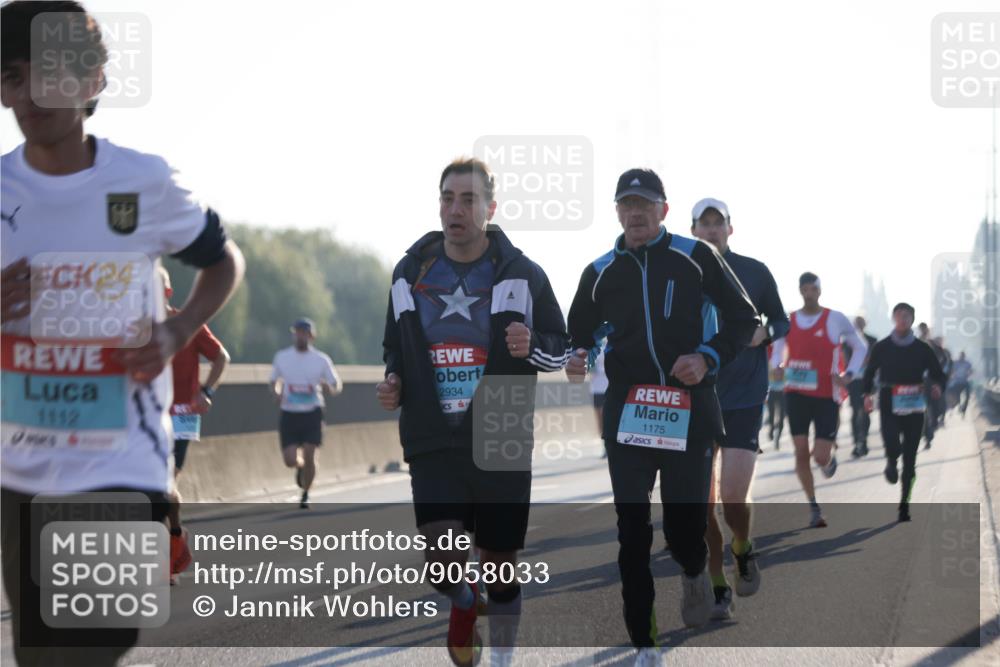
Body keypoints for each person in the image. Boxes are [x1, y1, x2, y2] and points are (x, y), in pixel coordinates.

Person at [0, 3, 244, 664]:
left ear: (92, 79)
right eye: (14, 76)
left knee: (85, 650)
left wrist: (177, 330)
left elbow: (224, 261)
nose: (29, 95)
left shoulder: (141, 181)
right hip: (21, 473)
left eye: (48, 72)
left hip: (120, 465)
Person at [377, 157, 570, 667]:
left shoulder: (522, 273)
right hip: (432, 431)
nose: (455, 209)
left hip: (500, 424)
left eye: (467, 199)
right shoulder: (410, 271)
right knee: (442, 564)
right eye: (447, 198)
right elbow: (394, 344)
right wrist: (394, 378)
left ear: (490, 206)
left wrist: (531, 345)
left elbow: (562, 347)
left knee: (500, 564)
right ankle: (463, 603)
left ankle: (503, 660)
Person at [566, 169, 758, 664]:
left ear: (663, 211)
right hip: (630, 414)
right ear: (616, 212)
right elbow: (578, 332)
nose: (635, 213)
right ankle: (644, 639)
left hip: (689, 410)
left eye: (644, 205)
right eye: (626, 204)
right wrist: (577, 355)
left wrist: (707, 358)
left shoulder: (696, 258)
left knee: (682, 529)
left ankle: (695, 569)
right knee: (632, 530)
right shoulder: (600, 271)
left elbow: (745, 320)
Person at [688, 197, 789, 620]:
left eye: (718, 223)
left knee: (732, 494)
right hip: (696, 396)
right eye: (703, 224)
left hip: (745, 395)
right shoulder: (680, 272)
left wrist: (764, 333)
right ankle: (717, 586)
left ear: (731, 229)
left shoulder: (755, 271)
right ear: (693, 230)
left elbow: (782, 321)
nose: (711, 230)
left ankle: (742, 547)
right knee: (701, 503)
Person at [770, 273, 867, 528]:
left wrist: (850, 374)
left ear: (820, 291)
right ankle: (814, 506)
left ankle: (828, 458)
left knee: (819, 456)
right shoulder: (789, 320)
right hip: (796, 393)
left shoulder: (835, 319)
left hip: (827, 395)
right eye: (805, 289)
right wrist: (776, 365)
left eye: (814, 288)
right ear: (800, 291)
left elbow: (861, 347)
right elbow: (778, 349)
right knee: (801, 451)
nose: (809, 293)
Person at [160, 268, 230, 584]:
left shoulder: (187, 324)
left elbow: (221, 357)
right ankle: (172, 539)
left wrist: (207, 391)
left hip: (184, 415)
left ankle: (172, 542)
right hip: (147, 416)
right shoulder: (132, 328)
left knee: (165, 485)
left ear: (168, 292)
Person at [862, 303, 946, 522]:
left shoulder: (922, 348)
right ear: (893, 318)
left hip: (915, 404)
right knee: (892, 443)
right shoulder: (882, 347)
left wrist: (937, 385)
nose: (903, 318)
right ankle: (891, 461)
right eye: (899, 315)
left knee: (910, 457)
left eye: (907, 315)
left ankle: (904, 504)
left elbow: (938, 372)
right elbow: (869, 373)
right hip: (890, 400)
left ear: (912, 320)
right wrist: (867, 394)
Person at [270, 318, 342, 509]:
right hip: (289, 413)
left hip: (313, 413)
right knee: (290, 460)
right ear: (294, 334)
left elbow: (336, 384)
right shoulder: (282, 357)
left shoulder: (321, 359)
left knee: (311, 454)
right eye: (297, 332)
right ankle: (300, 467)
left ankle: (306, 493)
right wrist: (277, 392)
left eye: (304, 333)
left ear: (311, 336)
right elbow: (273, 380)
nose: (300, 336)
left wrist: (329, 387)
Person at [844, 316, 877, 458]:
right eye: (856, 323)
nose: (859, 326)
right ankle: (857, 440)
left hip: (868, 380)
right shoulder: (847, 342)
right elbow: (844, 359)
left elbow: (876, 360)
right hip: (854, 380)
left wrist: (868, 361)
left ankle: (864, 439)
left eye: (861, 323)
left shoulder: (873, 340)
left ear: (865, 324)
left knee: (866, 410)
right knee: (855, 410)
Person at [765, 344, 787, 450]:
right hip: (772, 391)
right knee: (772, 415)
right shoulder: (769, 356)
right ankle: (771, 429)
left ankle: (778, 438)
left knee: (782, 417)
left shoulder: (786, 356)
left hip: (783, 392)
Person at [591, 348, 609, 458]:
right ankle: (604, 446)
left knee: (606, 417)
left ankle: (610, 444)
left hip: (607, 387)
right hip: (595, 389)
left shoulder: (607, 346)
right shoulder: (590, 347)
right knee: (599, 420)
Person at [948, 351, 974, 417]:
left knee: (967, 396)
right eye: (961, 356)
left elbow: (971, 371)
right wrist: (952, 376)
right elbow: (951, 371)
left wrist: (969, 373)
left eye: (963, 356)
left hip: (965, 382)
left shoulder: (967, 363)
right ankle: (959, 406)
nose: (962, 357)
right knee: (957, 396)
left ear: (964, 357)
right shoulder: (955, 363)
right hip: (957, 382)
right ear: (959, 356)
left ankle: (963, 409)